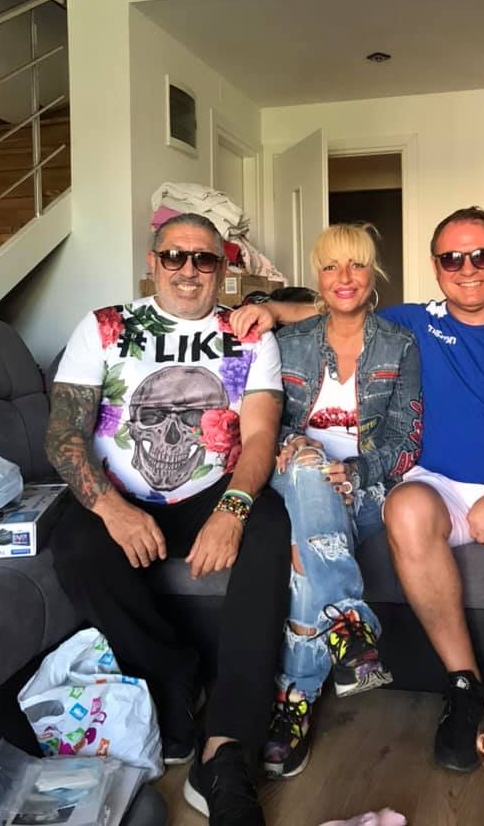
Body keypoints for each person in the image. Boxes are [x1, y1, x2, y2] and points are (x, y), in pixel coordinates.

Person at [231, 207, 484, 826]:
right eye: (452, 258)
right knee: (406, 507)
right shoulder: (414, 323)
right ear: (436, 267)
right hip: (436, 487)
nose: (467, 269)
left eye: (481, 255)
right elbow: (337, 309)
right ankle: (464, 688)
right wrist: (272, 310)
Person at [46, 213, 290, 826]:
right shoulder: (104, 328)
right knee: (74, 544)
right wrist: (112, 508)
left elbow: (261, 436)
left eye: (203, 259)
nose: (188, 270)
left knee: (268, 527)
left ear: (222, 268)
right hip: (120, 493)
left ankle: (227, 749)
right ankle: (173, 675)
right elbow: (63, 433)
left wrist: (233, 510)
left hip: (211, 490)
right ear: (153, 262)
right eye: (174, 256)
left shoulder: (249, 337)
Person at [263, 223, 422, 780]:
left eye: (356, 264)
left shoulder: (399, 345)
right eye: (331, 266)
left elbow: (407, 439)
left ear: (373, 272)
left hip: (370, 488)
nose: (344, 277)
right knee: (309, 472)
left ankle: (293, 702)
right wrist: (295, 442)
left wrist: (357, 471)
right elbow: (264, 422)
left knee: (306, 555)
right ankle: (350, 624)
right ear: (318, 276)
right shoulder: (288, 344)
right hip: (297, 478)